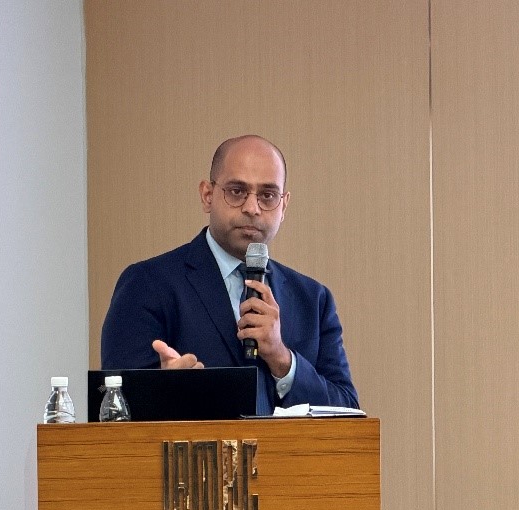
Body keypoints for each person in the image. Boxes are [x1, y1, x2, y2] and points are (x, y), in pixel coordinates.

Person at [101, 134, 359, 416]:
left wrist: (282, 359)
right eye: (237, 191)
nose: (252, 208)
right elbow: (114, 408)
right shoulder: (147, 284)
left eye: (267, 195)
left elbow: (347, 411)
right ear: (207, 195)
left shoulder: (313, 300)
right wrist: (162, 391)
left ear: (283, 206)